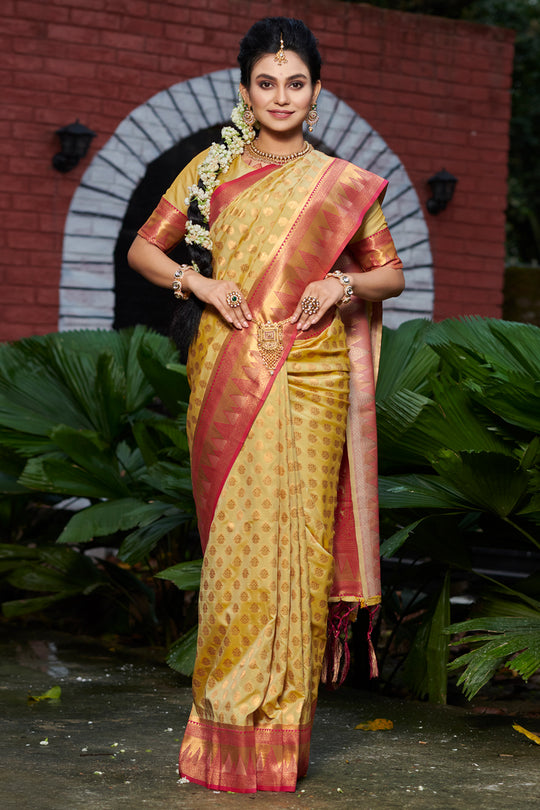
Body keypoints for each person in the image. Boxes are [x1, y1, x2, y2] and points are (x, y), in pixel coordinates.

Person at [128, 16, 404, 794]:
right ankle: (219, 733)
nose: (281, 96)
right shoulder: (210, 171)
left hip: (312, 375)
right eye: (265, 82)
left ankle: (281, 740)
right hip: (228, 365)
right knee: (237, 553)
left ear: (315, 94)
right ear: (245, 91)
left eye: (296, 83)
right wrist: (203, 283)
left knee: (298, 548)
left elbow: (390, 276)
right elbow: (146, 249)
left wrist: (339, 283)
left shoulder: (342, 183)